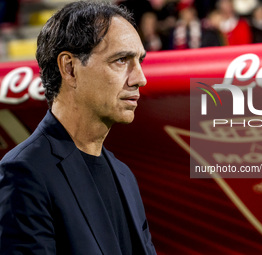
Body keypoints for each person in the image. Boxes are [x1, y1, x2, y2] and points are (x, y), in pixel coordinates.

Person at [0, 1, 157, 254]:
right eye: (121, 60)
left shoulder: (124, 175)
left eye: (139, 60)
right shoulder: (24, 173)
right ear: (69, 68)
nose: (140, 78)